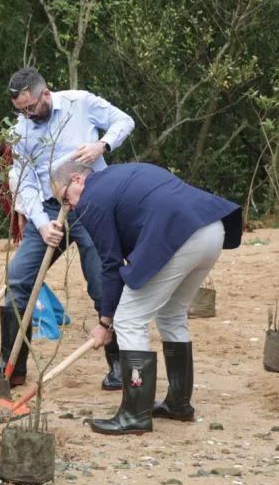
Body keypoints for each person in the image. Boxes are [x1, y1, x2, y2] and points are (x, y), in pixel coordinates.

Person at [51, 161, 241, 435]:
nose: (67, 207)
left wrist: (105, 323)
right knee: (172, 314)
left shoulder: (91, 199)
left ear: (78, 180)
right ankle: (178, 404)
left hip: (177, 237)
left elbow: (110, 264)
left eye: (65, 198)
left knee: (128, 320)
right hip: (211, 229)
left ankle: (134, 415)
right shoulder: (120, 174)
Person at [0, 67, 135, 390]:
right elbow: (24, 180)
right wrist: (41, 225)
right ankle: (12, 366)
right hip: (49, 210)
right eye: (21, 110)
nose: (28, 114)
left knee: (102, 283)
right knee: (18, 280)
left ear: (46, 93)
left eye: (31, 107)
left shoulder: (79, 103)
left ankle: (119, 366)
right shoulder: (21, 131)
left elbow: (125, 121)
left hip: (92, 205)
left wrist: (103, 146)